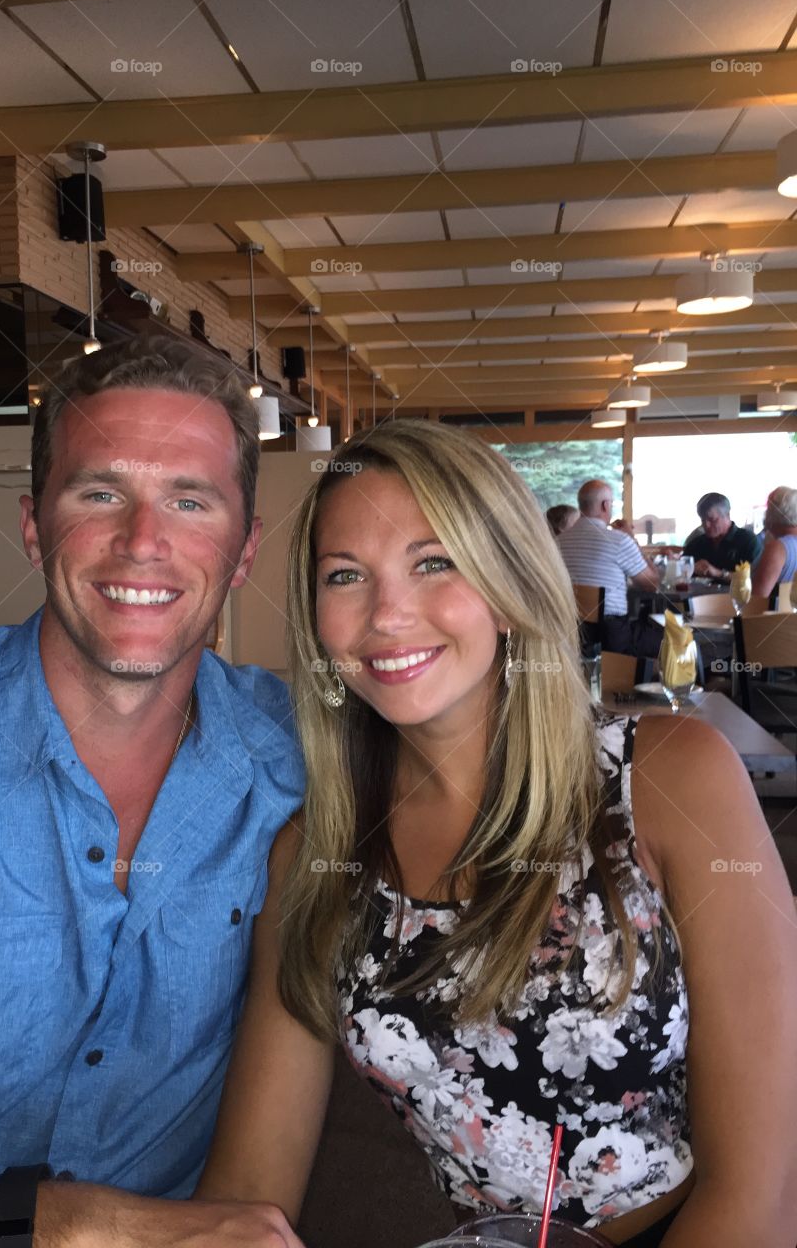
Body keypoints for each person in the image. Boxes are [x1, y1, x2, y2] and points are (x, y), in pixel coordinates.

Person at [197, 420, 797, 1247]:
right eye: (345, 576)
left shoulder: (668, 778)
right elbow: (249, 1193)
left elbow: (766, 1194)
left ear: (511, 587)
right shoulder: (315, 857)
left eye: (434, 562)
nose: (387, 614)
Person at [0, 335, 306, 1248]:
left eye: (189, 500)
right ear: (32, 525)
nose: (143, 542)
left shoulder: (294, 756)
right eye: (101, 493)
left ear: (243, 552)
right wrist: (47, 1226)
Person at [555, 479, 661, 657]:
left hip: (571, 633)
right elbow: (652, 584)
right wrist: (632, 538)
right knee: (668, 639)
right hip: (613, 637)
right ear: (605, 506)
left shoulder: (559, 541)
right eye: (611, 504)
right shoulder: (619, 540)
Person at [683, 492, 761, 581]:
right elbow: (681, 573)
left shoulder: (747, 541)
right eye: (702, 520)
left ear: (727, 515)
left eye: (712, 520)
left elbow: (754, 579)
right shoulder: (696, 544)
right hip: (698, 594)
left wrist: (719, 573)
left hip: (733, 594)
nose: (706, 525)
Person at [752, 486, 797, 601]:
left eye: (768, 509)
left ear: (772, 514)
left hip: (774, 617)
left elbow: (756, 600)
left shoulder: (778, 548)